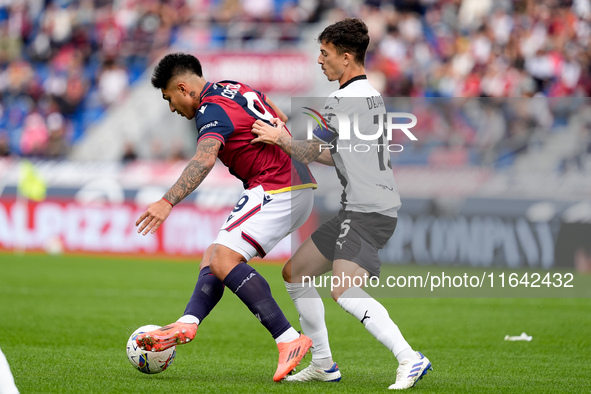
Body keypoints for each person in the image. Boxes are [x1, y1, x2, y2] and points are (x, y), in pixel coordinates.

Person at [251, 18, 432, 389]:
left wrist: (277, 137)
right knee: (295, 272)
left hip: (368, 210)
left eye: (325, 53)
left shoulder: (341, 100)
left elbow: (311, 149)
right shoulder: (372, 96)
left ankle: (409, 357)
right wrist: (289, 142)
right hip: (365, 207)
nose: (320, 61)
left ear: (346, 58)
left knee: (344, 290)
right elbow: (334, 155)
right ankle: (323, 364)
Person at [134, 52, 317, 382]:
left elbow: (204, 161)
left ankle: (288, 338)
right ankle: (189, 321)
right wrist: (277, 130)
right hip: (291, 182)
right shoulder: (231, 87)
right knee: (214, 255)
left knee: (224, 259)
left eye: (169, 99)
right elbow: (276, 111)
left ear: (181, 87)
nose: (173, 108)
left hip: (276, 185)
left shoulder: (210, 109)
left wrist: (167, 201)